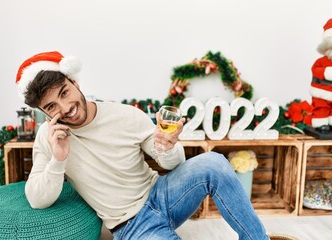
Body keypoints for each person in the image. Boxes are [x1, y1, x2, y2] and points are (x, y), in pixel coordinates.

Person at [15, 51, 270, 239]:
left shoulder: (124, 115)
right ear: (44, 112)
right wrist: (59, 159)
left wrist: (167, 146)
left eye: (64, 93)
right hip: (130, 226)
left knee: (213, 162)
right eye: (51, 107)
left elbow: (175, 163)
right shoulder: (49, 137)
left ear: (75, 84)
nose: (65, 108)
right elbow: (37, 199)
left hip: (163, 194)